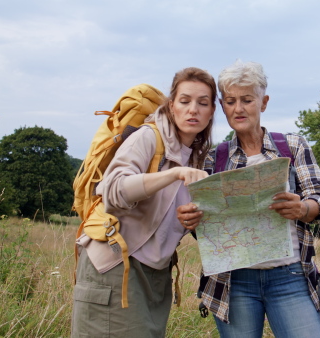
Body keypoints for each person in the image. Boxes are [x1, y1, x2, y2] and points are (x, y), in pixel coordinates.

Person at [177, 60, 320, 338]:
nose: (238, 108)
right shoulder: (213, 158)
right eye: (231, 101)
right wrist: (191, 221)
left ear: (264, 102)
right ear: (222, 106)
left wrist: (301, 208)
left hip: (290, 276)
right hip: (234, 283)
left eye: (247, 99)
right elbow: (205, 230)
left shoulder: (293, 146)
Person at [71, 67, 217, 337]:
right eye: (185, 101)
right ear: (171, 106)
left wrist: (190, 220)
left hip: (155, 275)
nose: (193, 109)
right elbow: (112, 190)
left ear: (211, 112)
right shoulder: (148, 137)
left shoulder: (198, 158)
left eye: (203, 103)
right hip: (117, 267)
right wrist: (172, 174)